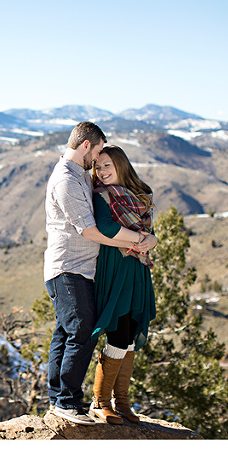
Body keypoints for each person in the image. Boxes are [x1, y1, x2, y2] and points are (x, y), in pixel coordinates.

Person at [44, 122, 153, 425]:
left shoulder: (78, 176)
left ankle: (59, 400)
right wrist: (137, 240)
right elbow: (91, 231)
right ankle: (66, 403)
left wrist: (145, 239)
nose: (101, 159)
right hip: (68, 268)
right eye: (100, 150)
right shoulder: (66, 179)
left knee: (66, 333)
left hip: (78, 269)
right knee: (81, 331)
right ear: (87, 146)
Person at [89, 144, 157, 424]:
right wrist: (142, 240)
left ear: (121, 166)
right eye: (98, 167)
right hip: (115, 268)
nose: (102, 172)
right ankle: (100, 401)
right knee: (117, 332)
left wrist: (151, 239)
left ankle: (122, 404)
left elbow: (150, 231)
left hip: (136, 269)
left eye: (107, 166)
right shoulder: (101, 196)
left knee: (128, 334)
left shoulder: (140, 196)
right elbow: (106, 228)